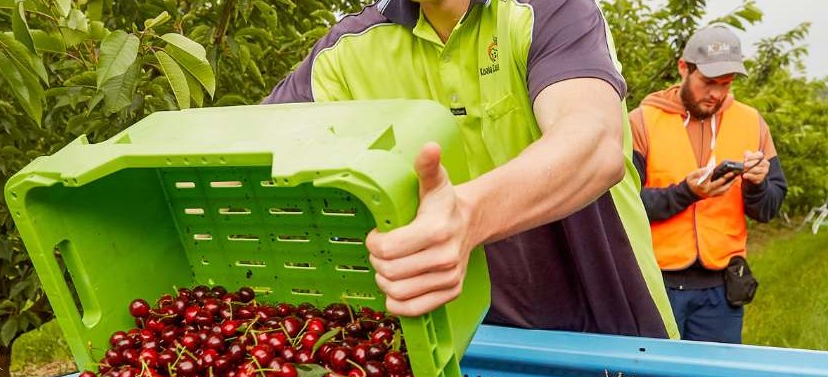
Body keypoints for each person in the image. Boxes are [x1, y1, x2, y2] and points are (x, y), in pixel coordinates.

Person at [264, 0, 679, 340]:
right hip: (475, 345)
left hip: (619, 332)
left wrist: (469, 216)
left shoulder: (549, 10)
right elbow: (253, 145)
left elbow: (592, 143)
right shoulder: (349, 49)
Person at [630, 25, 787, 344]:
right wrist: (687, 193)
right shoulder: (642, 122)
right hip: (656, 284)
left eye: (726, 85)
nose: (716, 94)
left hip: (721, 291)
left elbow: (769, 208)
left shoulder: (751, 122)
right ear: (683, 68)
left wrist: (756, 184)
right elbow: (623, 207)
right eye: (708, 83)